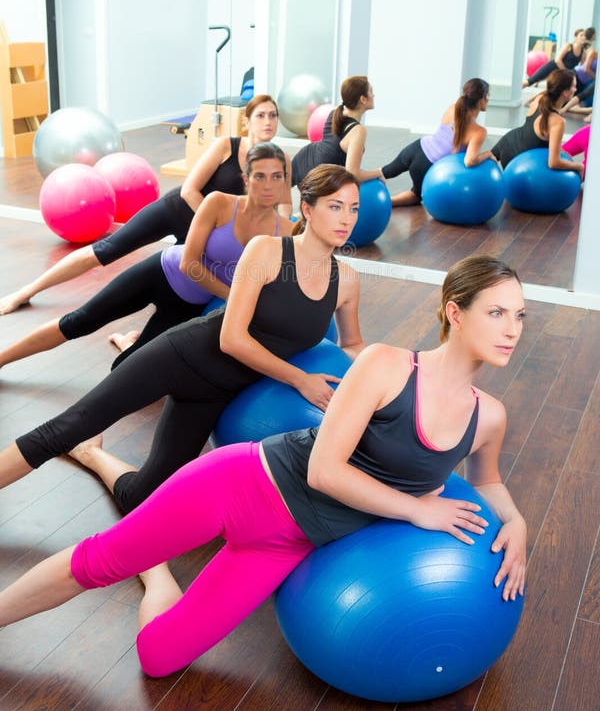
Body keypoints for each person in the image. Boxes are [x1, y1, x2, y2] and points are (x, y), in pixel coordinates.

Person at [0, 255, 527, 679]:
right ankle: (121, 547)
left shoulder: (489, 416)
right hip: (242, 483)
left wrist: (517, 523)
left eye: (520, 315)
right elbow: (324, 471)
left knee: (158, 660)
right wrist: (417, 510)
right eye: (497, 313)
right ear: (456, 313)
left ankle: (155, 572)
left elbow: (487, 480)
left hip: (282, 544)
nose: (512, 329)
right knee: (99, 563)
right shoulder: (387, 366)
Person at [0, 164, 365, 513]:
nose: (347, 218)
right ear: (307, 207)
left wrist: (386, 381)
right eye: (335, 206)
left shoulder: (346, 281)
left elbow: (351, 345)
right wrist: (301, 380)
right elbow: (231, 339)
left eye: (353, 208)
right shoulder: (267, 251)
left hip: (217, 393)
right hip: (183, 356)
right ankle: (79, 441)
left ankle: (91, 454)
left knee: (141, 498)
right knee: (65, 428)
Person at [0, 144, 293, 374]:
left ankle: (127, 342)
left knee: (123, 368)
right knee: (81, 321)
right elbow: (189, 262)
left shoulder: (285, 234)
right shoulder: (218, 202)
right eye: (260, 176)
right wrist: (233, 296)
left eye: (276, 177)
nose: (268, 185)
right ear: (246, 179)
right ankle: (3, 358)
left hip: (188, 306)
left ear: (284, 182)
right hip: (161, 273)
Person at [0, 95, 292, 316]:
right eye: (261, 115)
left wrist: (279, 244)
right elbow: (191, 188)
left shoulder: (281, 161)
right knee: (107, 250)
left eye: (273, 115)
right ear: (247, 121)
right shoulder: (226, 145)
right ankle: (27, 290)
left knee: (183, 292)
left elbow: (281, 207)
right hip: (179, 210)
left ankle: (136, 340)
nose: (268, 121)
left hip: (210, 232)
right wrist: (213, 224)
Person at [378, 78, 494, 207]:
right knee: (415, 196)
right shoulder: (479, 131)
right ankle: (381, 203)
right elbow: (469, 161)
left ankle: (357, 182)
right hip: (427, 164)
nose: (488, 100)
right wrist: (488, 154)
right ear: (481, 99)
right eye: (488, 96)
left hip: (416, 148)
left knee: (383, 172)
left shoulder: (453, 108)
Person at [291, 76, 382, 187]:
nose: (373, 95)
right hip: (318, 174)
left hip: (305, 158)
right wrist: (379, 172)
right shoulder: (358, 131)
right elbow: (353, 174)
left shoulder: (335, 113)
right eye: (371, 92)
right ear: (363, 99)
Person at [491, 69, 584, 175]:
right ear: (565, 92)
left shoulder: (541, 98)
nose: (576, 89)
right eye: (574, 86)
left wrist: (563, 152)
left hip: (507, 141)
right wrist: (579, 166)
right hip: (519, 159)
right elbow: (553, 163)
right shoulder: (558, 122)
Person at [522, 27, 595, 90]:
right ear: (575, 37)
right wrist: (566, 72)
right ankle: (515, 91)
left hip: (561, 74)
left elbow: (581, 66)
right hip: (552, 67)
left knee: (553, 91)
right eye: (581, 35)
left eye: (584, 36)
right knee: (529, 82)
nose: (583, 37)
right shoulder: (568, 46)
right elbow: (558, 60)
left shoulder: (583, 52)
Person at [561, 47, 597, 119]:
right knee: (568, 99)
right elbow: (586, 68)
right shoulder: (594, 53)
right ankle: (567, 108)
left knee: (582, 99)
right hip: (577, 75)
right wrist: (563, 110)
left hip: (583, 81)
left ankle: (574, 109)